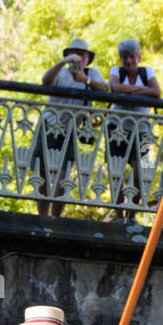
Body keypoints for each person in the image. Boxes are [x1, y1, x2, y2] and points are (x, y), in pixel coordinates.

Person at [33, 39, 107, 217]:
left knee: (63, 176)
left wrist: (85, 80)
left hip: (71, 129)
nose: (79, 58)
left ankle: (55, 218)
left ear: (88, 58)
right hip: (50, 124)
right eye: (75, 54)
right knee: (42, 173)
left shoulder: (92, 73)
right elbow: (46, 80)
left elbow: (105, 90)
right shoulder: (61, 72)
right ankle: (42, 217)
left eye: (83, 55)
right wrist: (63, 62)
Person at [107, 39, 161, 219]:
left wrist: (128, 90)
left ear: (138, 57)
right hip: (116, 129)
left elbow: (157, 92)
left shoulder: (148, 72)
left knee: (141, 172)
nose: (128, 61)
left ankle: (131, 215)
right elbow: (115, 87)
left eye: (131, 57)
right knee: (116, 173)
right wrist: (140, 90)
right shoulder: (116, 70)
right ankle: (119, 216)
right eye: (124, 57)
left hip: (143, 131)